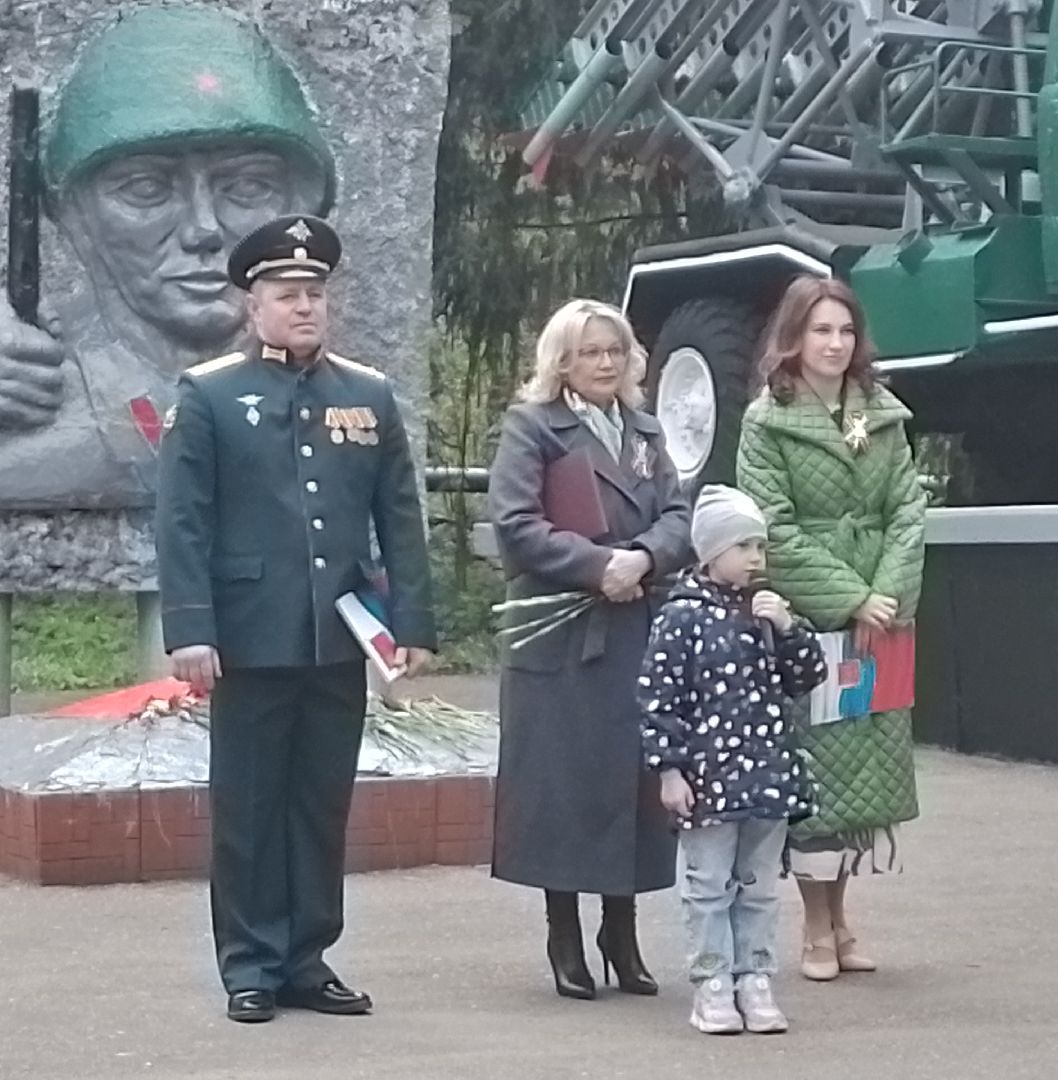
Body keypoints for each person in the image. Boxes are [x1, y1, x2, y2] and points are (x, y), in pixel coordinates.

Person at [156, 214, 436, 1024]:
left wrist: (411, 622)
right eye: (288, 295)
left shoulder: (366, 394)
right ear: (254, 306)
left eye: (315, 293)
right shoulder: (208, 394)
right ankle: (249, 963)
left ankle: (307, 957)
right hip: (247, 636)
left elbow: (400, 517)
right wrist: (190, 628)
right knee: (248, 807)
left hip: (336, 638)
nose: (305, 307)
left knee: (320, 804)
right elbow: (184, 523)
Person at [0, 6, 334, 507]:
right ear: (71, 212)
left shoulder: (343, 398)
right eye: (146, 189)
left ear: (298, 206)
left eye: (247, 187)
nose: (202, 229)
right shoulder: (41, 379)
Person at [488, 298, 692, 1001]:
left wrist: (640, 558)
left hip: (635, 625)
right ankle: (565, 933)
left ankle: (621, 930)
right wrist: (594, 565)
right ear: (562, 361)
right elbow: (515, 523)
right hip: (563, 636)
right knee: (565, 787)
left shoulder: (644, 429)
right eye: (590, 352)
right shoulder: (533, 427)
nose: (605, 363)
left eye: (615, 350)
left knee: (630, 783)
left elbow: (677, 515)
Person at [736, 275, 927, 982]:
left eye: (845, 331)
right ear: (794, 337)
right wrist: (848, 596)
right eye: (821, 330)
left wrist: (885, 593)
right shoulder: (767, 420)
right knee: (817, 773)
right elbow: (771, 530)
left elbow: (909, 509)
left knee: (865, 776)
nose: (835, 344)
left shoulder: (881, 412)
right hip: (812, 621)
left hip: (882, 617)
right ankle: (814, 926)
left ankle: (845, 916)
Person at [639, 484, 828, 1035]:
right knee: (707, 882)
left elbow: (807, 677)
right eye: (743, 546)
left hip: (767, 776)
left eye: (760, 548)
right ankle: (712, 982)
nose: (755, 559)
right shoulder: (681, 618)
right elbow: (658, 697)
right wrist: (669, 769)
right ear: (710, 552)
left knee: (760, 884)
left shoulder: (767, 613)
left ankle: (757, 977)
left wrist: (789, 629)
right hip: (709, 780)